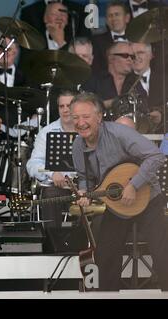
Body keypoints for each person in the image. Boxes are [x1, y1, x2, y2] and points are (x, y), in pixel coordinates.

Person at [71, 92, 168, 291]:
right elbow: (85, 177)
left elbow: (156, 156)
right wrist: (83, 192)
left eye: (86, 117)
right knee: (106, 254)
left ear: (99, 117)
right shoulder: (78, 146)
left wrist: (134, 185)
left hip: (148, 198)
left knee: (162, 252)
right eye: (75, 118)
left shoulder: (119, 133)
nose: (80, 122)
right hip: (117, 206)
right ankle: (107, 296)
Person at [26, 91, 76, 232]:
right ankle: (52, 242)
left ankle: (84, 243)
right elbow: (33, 164)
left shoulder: (87, 129)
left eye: (69, 105)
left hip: (83, 186)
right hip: (58, 187)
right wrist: (52, 173)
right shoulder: (47, 132)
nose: (65, 109)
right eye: (62, 106)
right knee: (50, 195)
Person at [91, 1, 131, 74]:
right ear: (106, 21)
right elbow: (96, 70)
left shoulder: (138, 38)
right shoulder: (97, 41)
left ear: (127, 18)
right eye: (110, 16)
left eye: (117, 14)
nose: (114, 18)